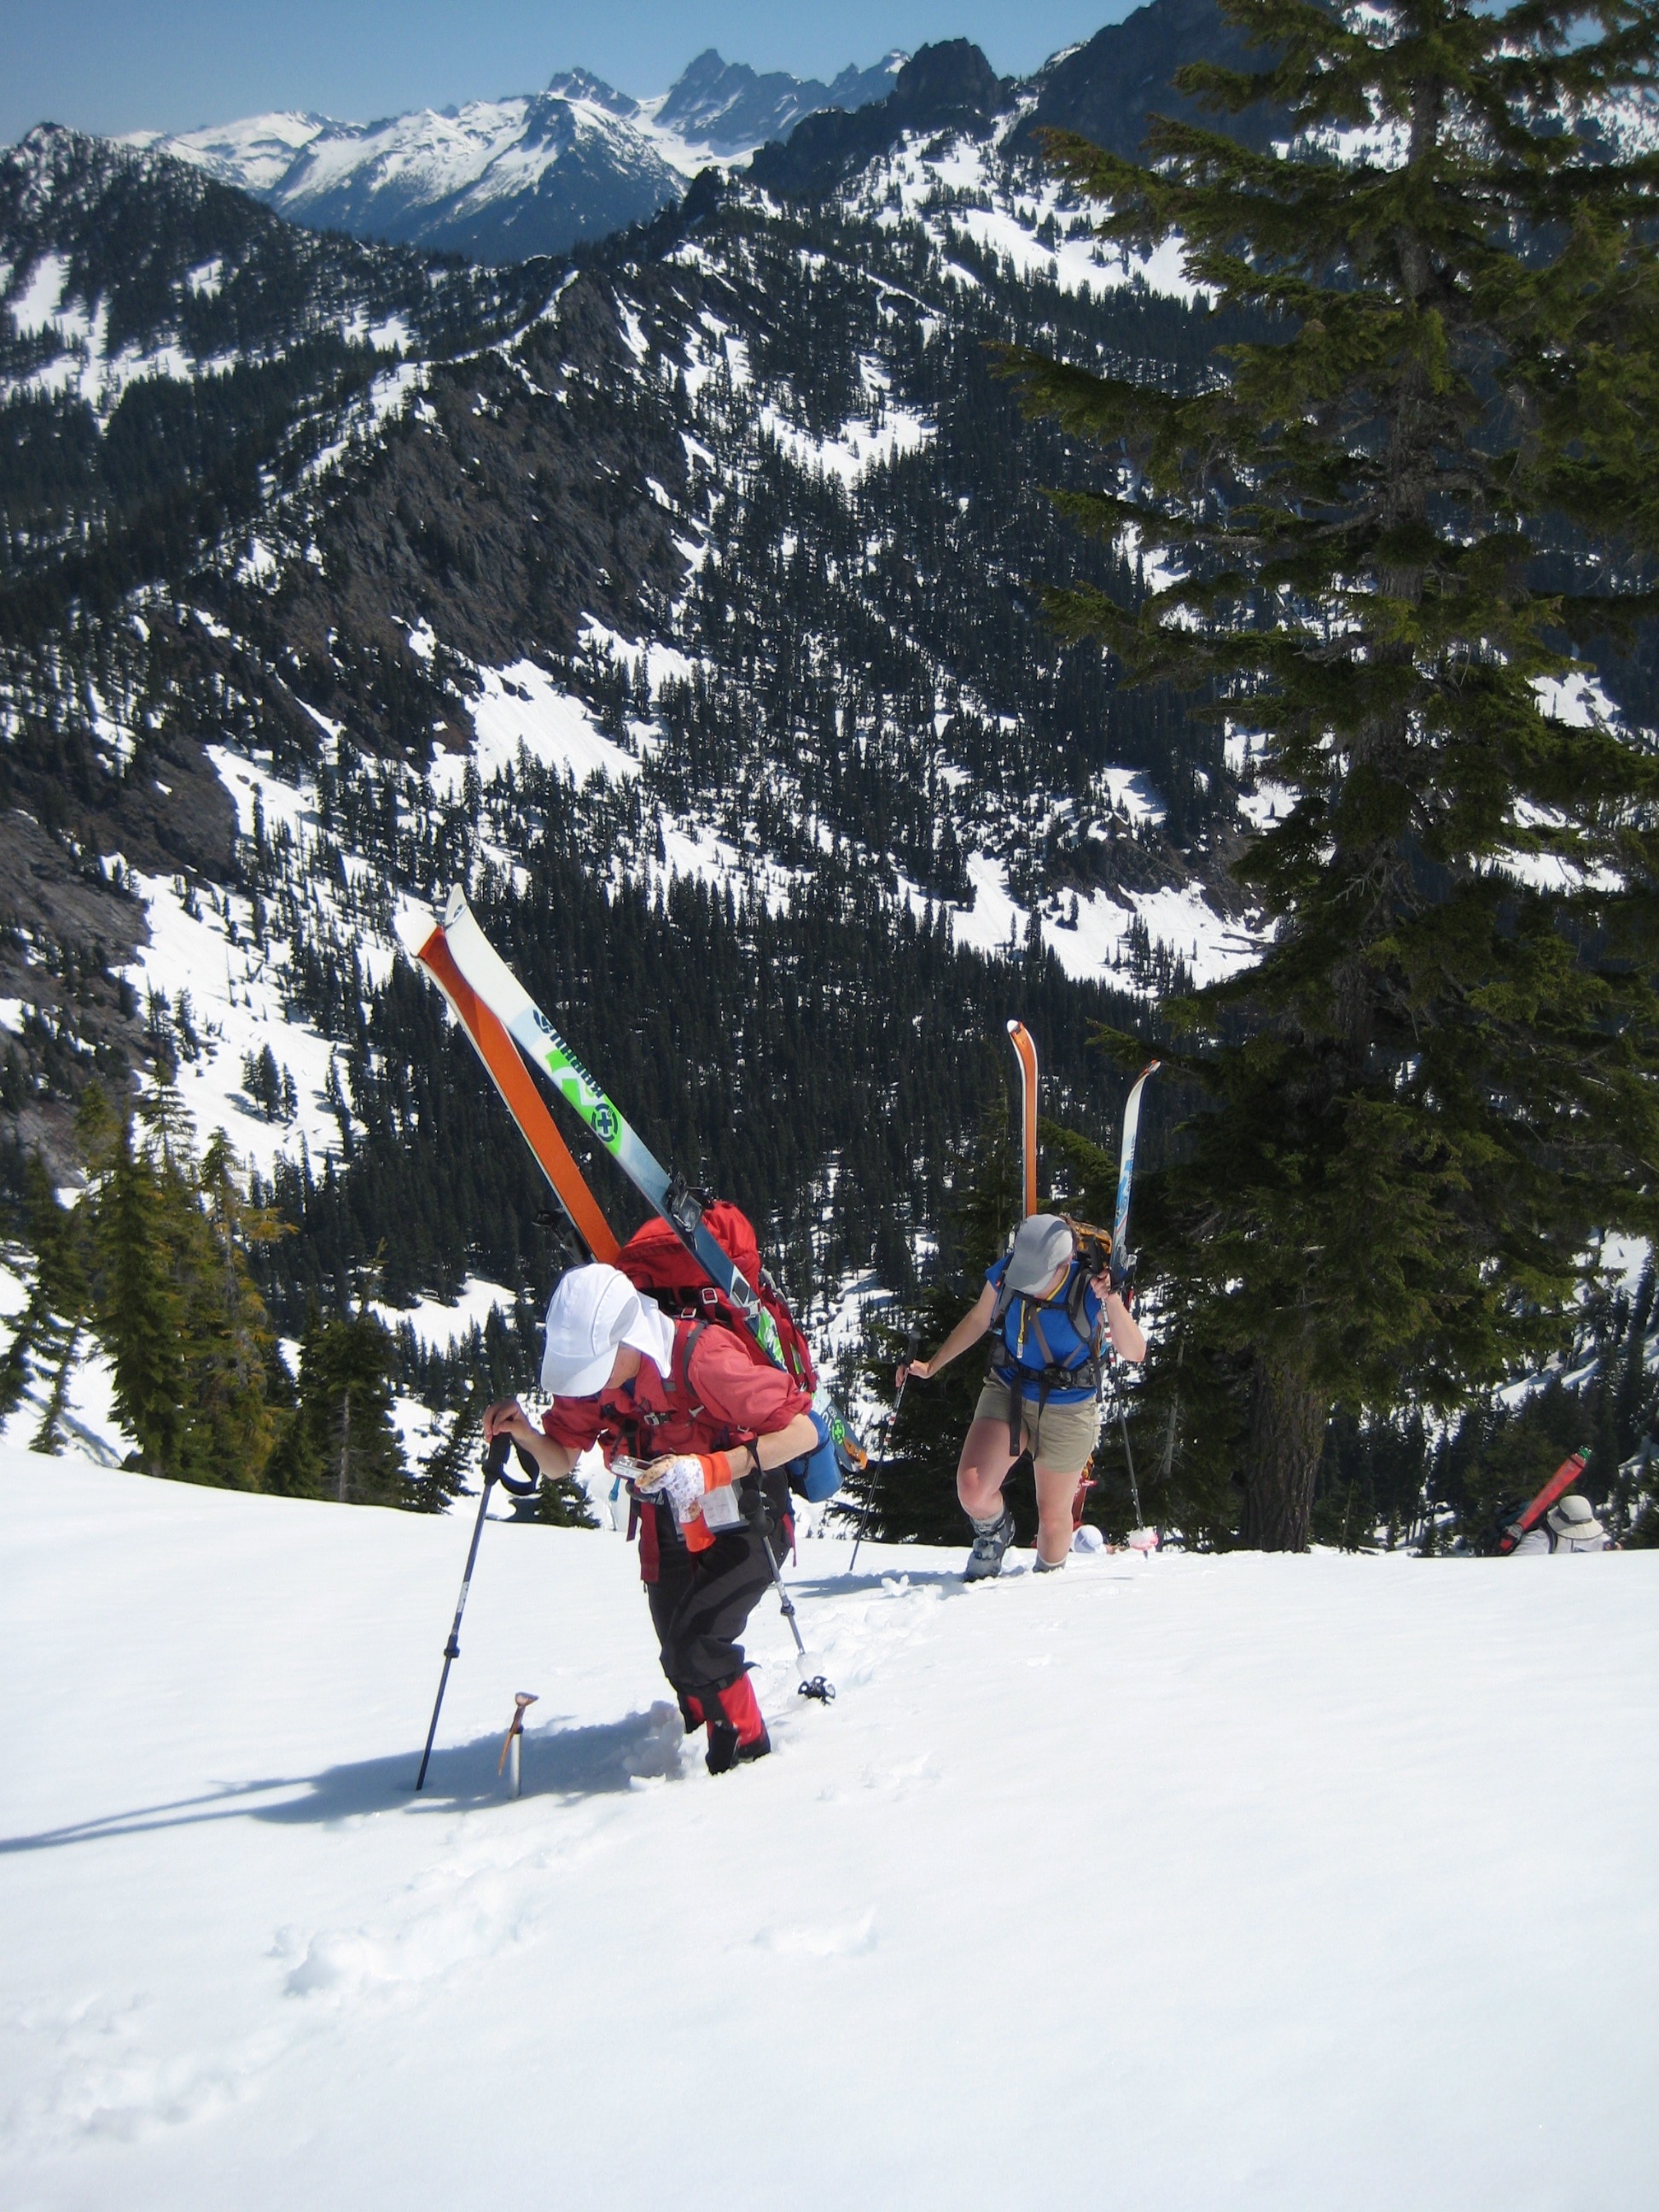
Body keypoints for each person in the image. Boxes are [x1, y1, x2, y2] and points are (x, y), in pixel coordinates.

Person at [485, 1263, 820, 1773]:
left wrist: (710, 1468)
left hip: (746, 1514)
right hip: (670, 1523)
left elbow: (804, 1433)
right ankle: (696, 1735)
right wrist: (526, 1433)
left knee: (696, 1647)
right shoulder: (602, 1384)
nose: (587, 1386)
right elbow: (560, 1462)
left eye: (595, 1368)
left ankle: (747, 1762)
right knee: (677, 1655)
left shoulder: (703, 1360)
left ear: (629, 1340)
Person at [902, 1213, 1146, 1580]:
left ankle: (1047, 1585)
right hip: (1009, 1387)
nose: (1029, 1287)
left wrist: (1111, 1299)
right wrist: (933, 1364)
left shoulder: (1089, 1285)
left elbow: (1135, 1351)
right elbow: (979, 1319)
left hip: (1069, 1406)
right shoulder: (1010, 1271)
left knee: (1053, 1516)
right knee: (972, 1488)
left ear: (1064, 1265)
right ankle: (993, 1531)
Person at [1511, 1493, 1611, 1553]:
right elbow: (1516, 1568)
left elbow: (1600, 1540)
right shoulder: (1541, 1540)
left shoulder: (1598, 1538)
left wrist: (1611, 1545)